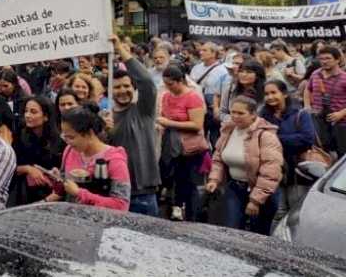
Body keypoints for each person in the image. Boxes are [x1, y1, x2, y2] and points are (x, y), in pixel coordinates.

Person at [206, 97, 283, 235]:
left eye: (241, 113)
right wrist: (214, 179)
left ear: (253, 114)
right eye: (233, 112)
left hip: (261, 193)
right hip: (235, 188)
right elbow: (218, 158)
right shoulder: (228, 130)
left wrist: (255, 200)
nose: (235, 116)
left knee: (257, 234)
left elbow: (270, 171)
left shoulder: (266, 136)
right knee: (231, 230)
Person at [109, 35, 161, 216]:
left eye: (126, 86)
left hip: (143, 193)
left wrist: (121, 50)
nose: (122, 91)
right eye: (117, 87)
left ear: (134, 87)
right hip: (115, 193)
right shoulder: (105, 117)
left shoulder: (143, 110)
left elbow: (147, 81)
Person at [51, 108, 131, 211]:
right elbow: (62, 191)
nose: (68, 142)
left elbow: (121, 205)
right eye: (65, 137)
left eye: (71, 137)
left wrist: (79, 193)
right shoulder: (70, 151)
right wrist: (57, 180)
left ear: (89, 133)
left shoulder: (114, 160)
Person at [261, 80, 317, 225]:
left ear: (284, 94)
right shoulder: (263, 116)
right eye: (266, 94)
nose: (270, 97)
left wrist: (275, 139)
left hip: (297, 172)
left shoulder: (300, 114)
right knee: (277, 213)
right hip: (273, 170)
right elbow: (259, 139)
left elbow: (306, 139)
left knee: (296, 213)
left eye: (274, 93)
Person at [159, 65, 207, 222]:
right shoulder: (166, 96)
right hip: (171, 145)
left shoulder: (193, 97)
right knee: (173, 180)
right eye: (165, 83)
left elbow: (197, 125)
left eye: (171, 83)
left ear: (180, 81)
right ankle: (176, 210)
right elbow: (163, 116)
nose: (168, 87)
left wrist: (169, 123)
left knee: (189, 183)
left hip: (190, 148)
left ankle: (192, 216)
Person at [9, 96, 63, 206]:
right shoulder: (19, 136)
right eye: (26, 111)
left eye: (33, 112)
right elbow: (9, 167)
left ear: (46, 116)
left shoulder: (59, 142)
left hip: (51, 194)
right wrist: (28, 169)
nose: (28, 115)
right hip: (23, 193)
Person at [303, 46, 346, 156]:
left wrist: (341, 113)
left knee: (342, 154)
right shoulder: (315, 74)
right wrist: (307, 106)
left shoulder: (344, 78)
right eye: (321, 59)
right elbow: (307, 90)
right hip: (318, 122)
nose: (324, 61)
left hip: (340, 123)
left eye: (328, 58)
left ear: (337, 59)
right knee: (322, 154)